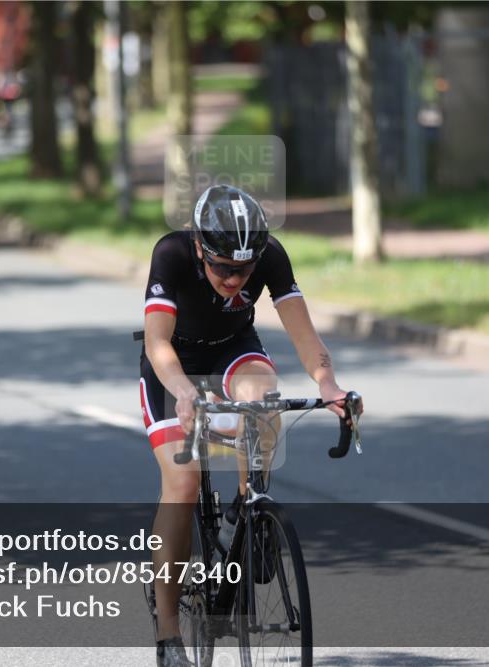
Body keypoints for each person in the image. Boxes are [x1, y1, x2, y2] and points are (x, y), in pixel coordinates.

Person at [139, 184, 356, 666]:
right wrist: (183, 391)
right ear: (200, 248)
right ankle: (169, 635)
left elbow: (304, 333)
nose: (235, 279)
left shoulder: (271, 254)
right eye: (222, 268)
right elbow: (157, 343)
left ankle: (249, 508)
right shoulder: (172, 253)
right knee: (183, 481)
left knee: (264, 398)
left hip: (232, 347)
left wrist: (328, 384)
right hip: (174, 361)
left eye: (245, 269)